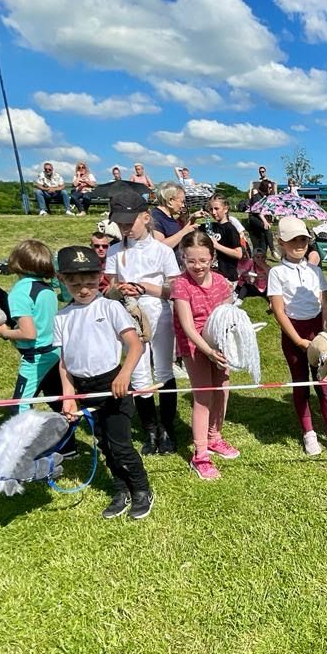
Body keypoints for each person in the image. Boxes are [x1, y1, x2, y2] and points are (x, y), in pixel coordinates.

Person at [53, 245, 153, 520]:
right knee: (104, 444)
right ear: (62, 280)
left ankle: (141, 489)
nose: (84, 289)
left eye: (89, 282)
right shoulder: (61, 317)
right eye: (75, 284)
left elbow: (135, 345)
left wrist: (124, 375)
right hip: (84, 389)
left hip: (114, 385)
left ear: (100, 278)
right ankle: (121, 489)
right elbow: (64, 362)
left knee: (120, 444)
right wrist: (69, 396)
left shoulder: (110, 308)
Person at [105, 188, 182, 455]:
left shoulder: (162, 251)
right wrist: (119, 290)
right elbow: (109, 288)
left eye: (130, 223)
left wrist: (145, 287)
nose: (125, 229)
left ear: (146, 217)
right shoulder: (115, 251)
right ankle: (149, 429)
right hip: (129, 314)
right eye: (120, 225)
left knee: (163, 370)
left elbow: (174, 290)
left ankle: (167, 428)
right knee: (138, 372)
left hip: (158, 312)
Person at [267, 216, 327, 459]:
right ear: (281, 242)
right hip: (294, 333)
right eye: (293, 240)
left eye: (303, 239)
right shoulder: (276, 272)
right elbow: (279, 310)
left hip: (316, 331)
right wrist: (299, 341)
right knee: (300, 383)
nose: (299, 244)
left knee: (324, 382)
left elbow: (325, 304)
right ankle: (309, 432)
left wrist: (325, 335)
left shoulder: (315, 270)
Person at [171, 231, 240, 480]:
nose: (197, 266)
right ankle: (200, 454)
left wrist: (227, 342)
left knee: (222, 390)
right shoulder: (180, 285)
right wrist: (208, 351)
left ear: (212, 257)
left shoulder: (220, 281)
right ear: (183, 258)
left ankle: (214, 437)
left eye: (203, 260)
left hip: (219, 344)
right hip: (195, 346)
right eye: (191, 261)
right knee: (203, 397)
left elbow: (228, 313)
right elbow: (188, 327)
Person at [0, 240, 62, 415]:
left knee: (20, 407)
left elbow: (29, 333)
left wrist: (5, 332)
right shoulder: (47, 288)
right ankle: (67, 430)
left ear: (17, 263)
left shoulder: (20, 293)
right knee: (58, 398)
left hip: (36, 356)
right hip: (55, 351)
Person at [149, 182, 202, 253]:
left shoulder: (168, 215)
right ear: (170, 200)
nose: (183, 206)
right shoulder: (155, 217)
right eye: (182, 202)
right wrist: (185, 232)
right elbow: (159, 247)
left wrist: (193, 217)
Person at [206, 195, 245, 283]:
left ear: (226, 209)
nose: (213, 212)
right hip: (215, 273)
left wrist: (216, 246)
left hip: (228, 276)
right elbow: (191, 228)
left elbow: (238, 254)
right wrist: (194, 217)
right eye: (211, 209)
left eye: (216, 209)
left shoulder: (230, 229)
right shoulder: (212, 226)